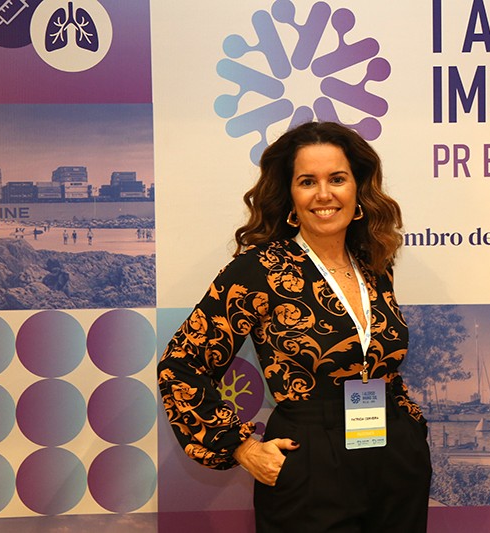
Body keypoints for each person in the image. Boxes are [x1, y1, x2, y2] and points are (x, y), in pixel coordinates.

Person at [157, 121, 432, 532]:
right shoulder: (258, 269)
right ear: (290, 195)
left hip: (394, 458)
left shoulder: (375, 262)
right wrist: (241, 447)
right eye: (307, 181)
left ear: (357, 188)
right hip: (309, 463)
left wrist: (410, 430)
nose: (324, 194)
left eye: (337, 179)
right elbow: (180, 364)